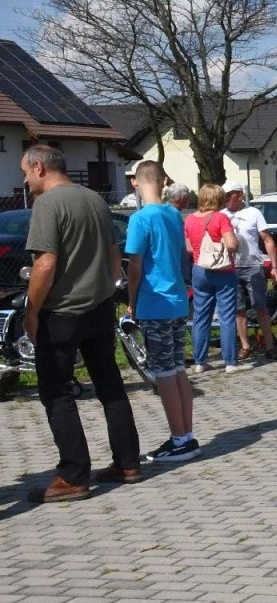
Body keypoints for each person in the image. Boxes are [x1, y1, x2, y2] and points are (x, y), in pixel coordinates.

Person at [19, 145, 141, 502]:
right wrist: (104, 291)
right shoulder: (94, 200)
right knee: (110, 386)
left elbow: (45, 263)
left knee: (57, 393)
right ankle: (128, 463)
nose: (25, 181)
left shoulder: (47, 204)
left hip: (62, 313)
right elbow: (114, 256)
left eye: (25, 172)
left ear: (39, 167)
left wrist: (31, 310)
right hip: (100, 308)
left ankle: (73, 476)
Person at [125, 161, 202, 466]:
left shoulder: (140, 218)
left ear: (135, 182)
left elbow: (135, 266)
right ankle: (186, 435)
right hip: (177, 301)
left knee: (164, 374)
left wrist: (131, 302)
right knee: (178, 369)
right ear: (164, 180)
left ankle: (179, 439)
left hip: (154, 302)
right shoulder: (173, 214)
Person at [185, 183, 240, 374]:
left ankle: (200, 362)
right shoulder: (220, 217)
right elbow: (231, 244)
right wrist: (234, 242)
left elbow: (189, 248)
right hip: (223, 270)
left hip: (200, 269)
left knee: (200, 316)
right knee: (226, 316)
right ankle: (230, 362)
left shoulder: (190, 219)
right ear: (219, 199)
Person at [223, 181, 277, 362]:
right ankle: (245, 345)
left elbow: (267, 239)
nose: (226, 199)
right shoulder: (222, 215)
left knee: (260, 307)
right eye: (224, 195)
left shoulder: (254, 213)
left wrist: (274, 265)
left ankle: (270, 346)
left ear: (239, 195)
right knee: (238, 309)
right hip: (231, 266)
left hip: (252, 265)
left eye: (229, 195)